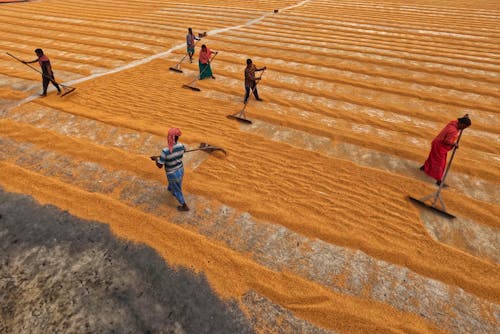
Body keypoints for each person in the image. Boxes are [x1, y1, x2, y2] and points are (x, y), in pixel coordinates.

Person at [420, 116, 471, 186]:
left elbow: (457, 122)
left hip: (436, 143)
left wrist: (465, 118)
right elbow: (447, 141)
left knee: (432, 158)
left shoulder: (453, 123)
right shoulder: (453, 131)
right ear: (461, 123)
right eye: (464, 127)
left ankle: (424, 167)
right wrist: (454, 144)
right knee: (440, 163)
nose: (463, 129)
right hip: (439, 147)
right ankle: (439, 180)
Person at [151, 128, 189, 211]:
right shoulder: (181, 146)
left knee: (177, 190)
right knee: (176, 183)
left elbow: (160, 165)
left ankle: (184, 205)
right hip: (180, 169)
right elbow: (184, 150)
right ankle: (171, 188)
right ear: (177, 137)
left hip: (172, 173)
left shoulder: (165, 151)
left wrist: (156, 159)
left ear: (169, 137)